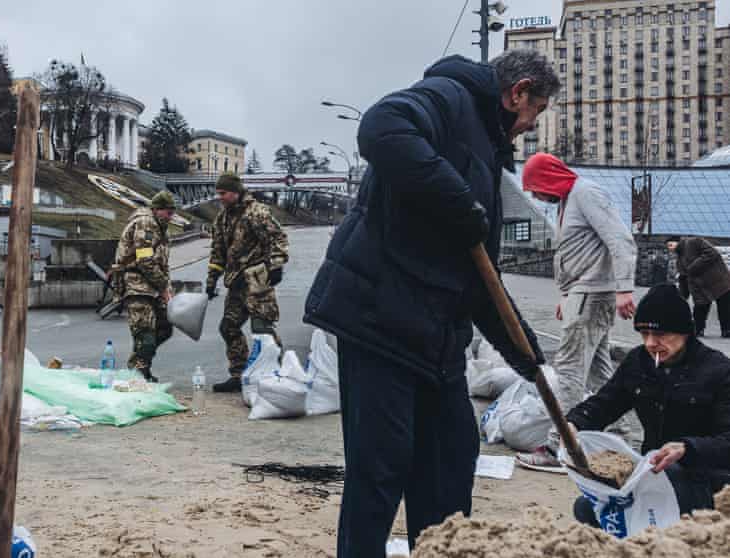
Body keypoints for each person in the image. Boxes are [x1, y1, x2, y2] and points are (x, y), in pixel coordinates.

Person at [303, 50, 560, 557]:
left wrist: (524, 355)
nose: (530, 126)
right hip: (378, 323)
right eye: (537, 111)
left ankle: (438, 551)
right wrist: (455, 199)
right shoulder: (449, 98)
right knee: (380, 469)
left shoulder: (487, 150)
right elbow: (381, 127)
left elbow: (478, 276)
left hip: (436, 339)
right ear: (519, 92)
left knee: (450, 459)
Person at [568, 284, 730, 527]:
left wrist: (688, 448)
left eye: (661, 335)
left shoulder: (718, 370)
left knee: (670, 486)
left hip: (705, 479)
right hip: (652, 474)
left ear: (685, 332)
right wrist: (573, 423)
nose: (651, 343)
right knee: (586, 509)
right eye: (644, 334)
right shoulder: (638, 361)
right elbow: (606, 402)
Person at [516, 152, 638, 472]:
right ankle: (619, 437)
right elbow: (579, 251)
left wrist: (625, 288)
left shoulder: (586, 194)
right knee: (600, 372)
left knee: (569, 369)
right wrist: (567, 294)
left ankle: (562, 447)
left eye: (534, 188)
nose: (534, 195)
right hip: (585, 294)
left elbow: (620, 239)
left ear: (547, 178)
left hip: (593, 294)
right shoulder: (569, 200)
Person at [206, 173, 289, 393]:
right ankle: (238, 374)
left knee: (262, 328)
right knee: (228, 327)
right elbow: (217, 252)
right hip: (236, 284)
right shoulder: (222, 218)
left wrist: (277, 265)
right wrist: (211, 279)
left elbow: (277, 238)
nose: (220, 197)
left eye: (223, 193)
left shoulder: (257, 212)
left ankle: (277, 373)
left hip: (257, 281)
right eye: (218, 193)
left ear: (235, 191)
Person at [113, 191, 177, 382]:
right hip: (137, 286)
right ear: (157, 210)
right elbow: (145, 259)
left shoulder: (159, 225)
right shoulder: (146, 223)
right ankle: (138, 373)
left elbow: (161, 262)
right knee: (146, 335)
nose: (171, 216)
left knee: (164, 328)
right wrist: (164, 287)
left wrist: (166, 287)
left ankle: (141, 365)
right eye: (168, 212)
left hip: (152, 287)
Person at [667, 236, 730, 338]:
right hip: (701, 288)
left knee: (725, 307)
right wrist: (681, 299)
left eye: (670, 244)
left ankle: (726, 330)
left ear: (678, 241)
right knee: (700, 309)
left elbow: (712, 253)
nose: (669, 248)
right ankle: (698, 330)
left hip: (718, 281)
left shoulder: (694, 242)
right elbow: (683, 280)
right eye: (668, 247)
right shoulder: (679, 261)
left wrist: (693, 267)